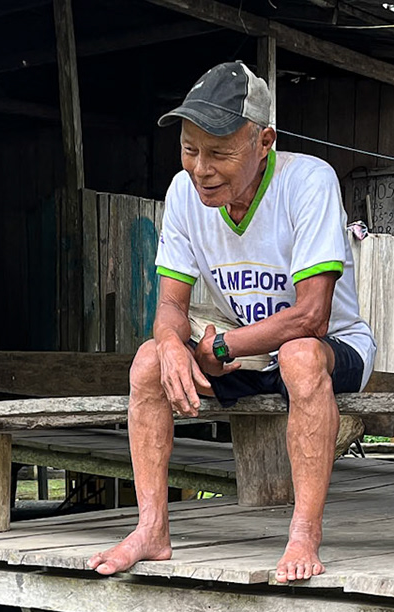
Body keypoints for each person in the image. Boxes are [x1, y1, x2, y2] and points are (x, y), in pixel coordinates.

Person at [89, 61, 377, 584]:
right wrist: (174, 347)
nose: (201, 168)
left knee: (299, 354)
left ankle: (304, 532)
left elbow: (312, 314)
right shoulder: (182, 195)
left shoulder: (308, 181)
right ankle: (152, 528)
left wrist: (220, 349)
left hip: (332, 347)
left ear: (264, 141)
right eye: (189, 149)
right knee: (149, 360)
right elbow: (171, 307)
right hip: (242, 346)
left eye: (220, 153)